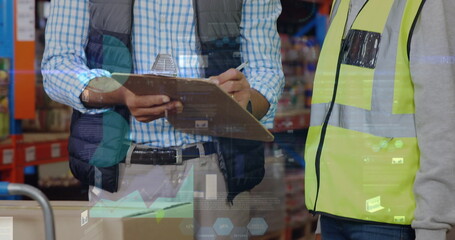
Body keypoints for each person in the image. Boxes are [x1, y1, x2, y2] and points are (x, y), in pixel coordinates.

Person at [42, 0, 284, 238]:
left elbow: (267, 70)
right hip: (121, 174)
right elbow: (59, 64)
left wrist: (246, 101)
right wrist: (118, 92)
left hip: (216, 175)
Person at [304, 0, 455, 239]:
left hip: (389, 220)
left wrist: (433, 225)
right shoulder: (342, 3)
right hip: (335, 212)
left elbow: (442, 119)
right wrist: (325, 212)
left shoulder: (426, 4)